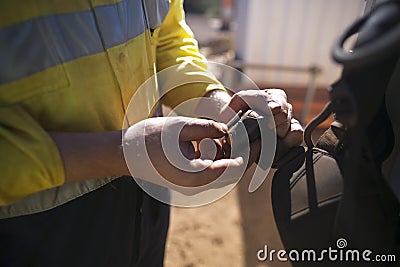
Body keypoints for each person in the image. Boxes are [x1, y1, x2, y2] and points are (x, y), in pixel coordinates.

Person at [0, 0, 303, 266]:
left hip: (146, 195)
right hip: (35, 226)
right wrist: (121, 152)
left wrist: (218, 103)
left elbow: (167, 38)